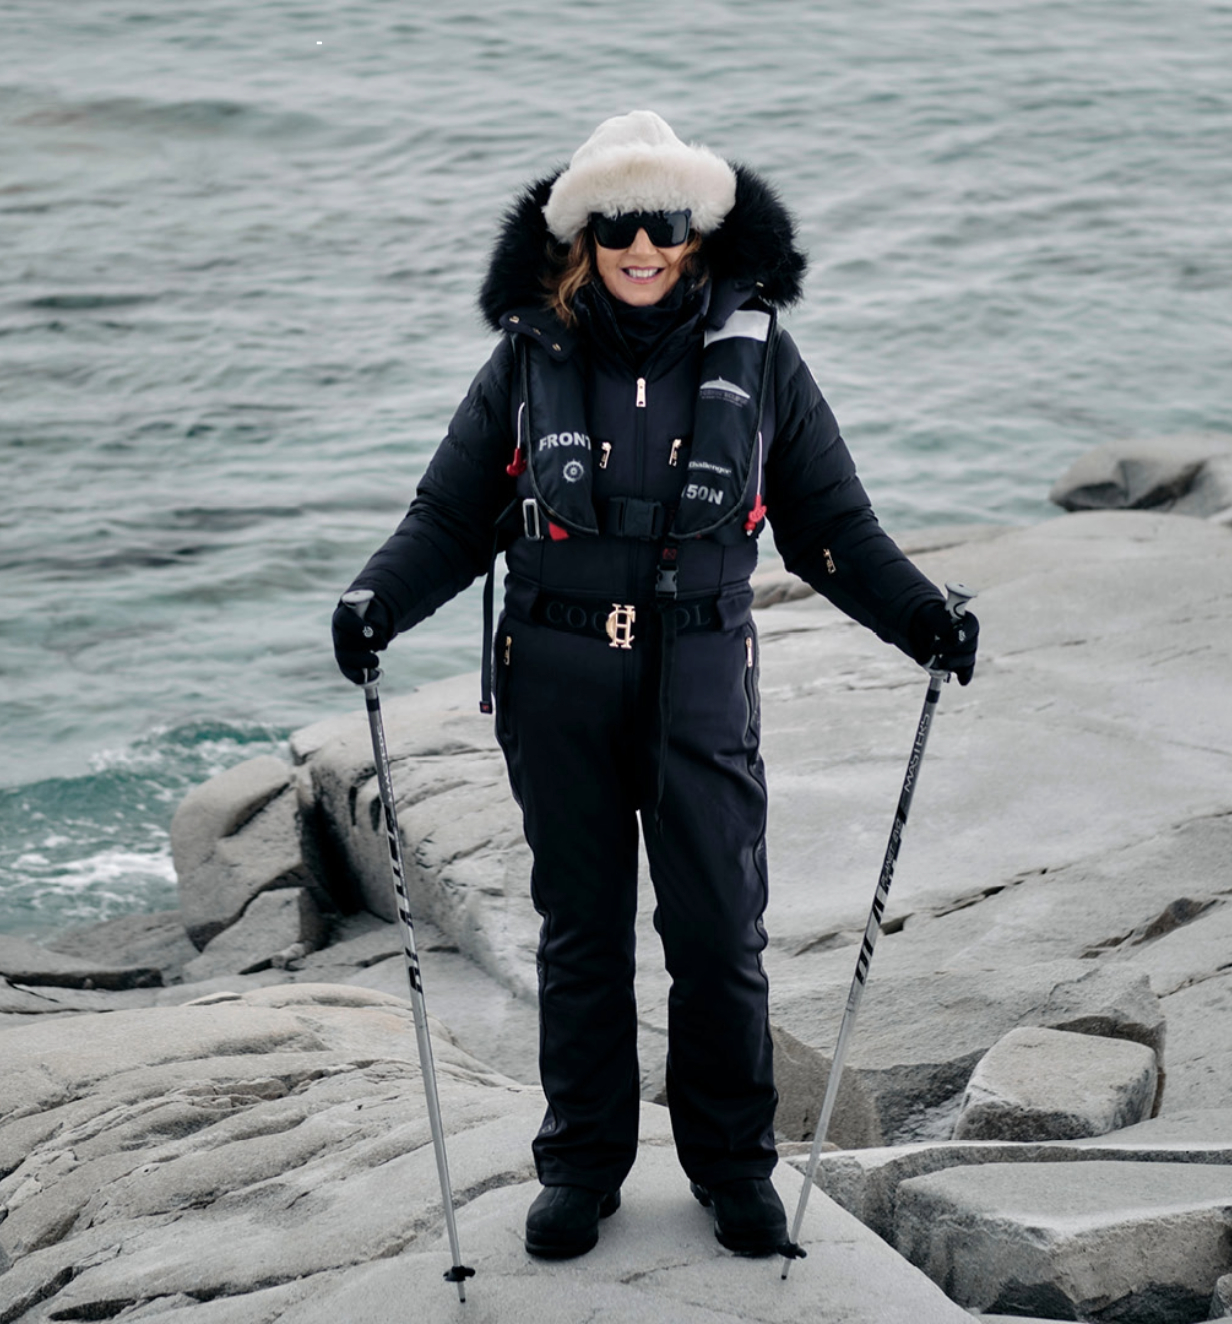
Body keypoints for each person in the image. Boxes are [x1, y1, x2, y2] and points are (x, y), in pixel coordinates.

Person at [332, 110, 978, 1261]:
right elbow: (447, 517)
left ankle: (733, 1168)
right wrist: (375, 602)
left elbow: (829, 526)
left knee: (720, 936)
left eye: (665, 225)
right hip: (556, 680)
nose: (642, 248)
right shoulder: (527, 357)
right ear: (584, 234)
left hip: (700, 682)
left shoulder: (761, 356)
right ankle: (580, 1164)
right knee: (580, 936)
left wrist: (922, 616)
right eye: (619, 225)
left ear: (699, 232)